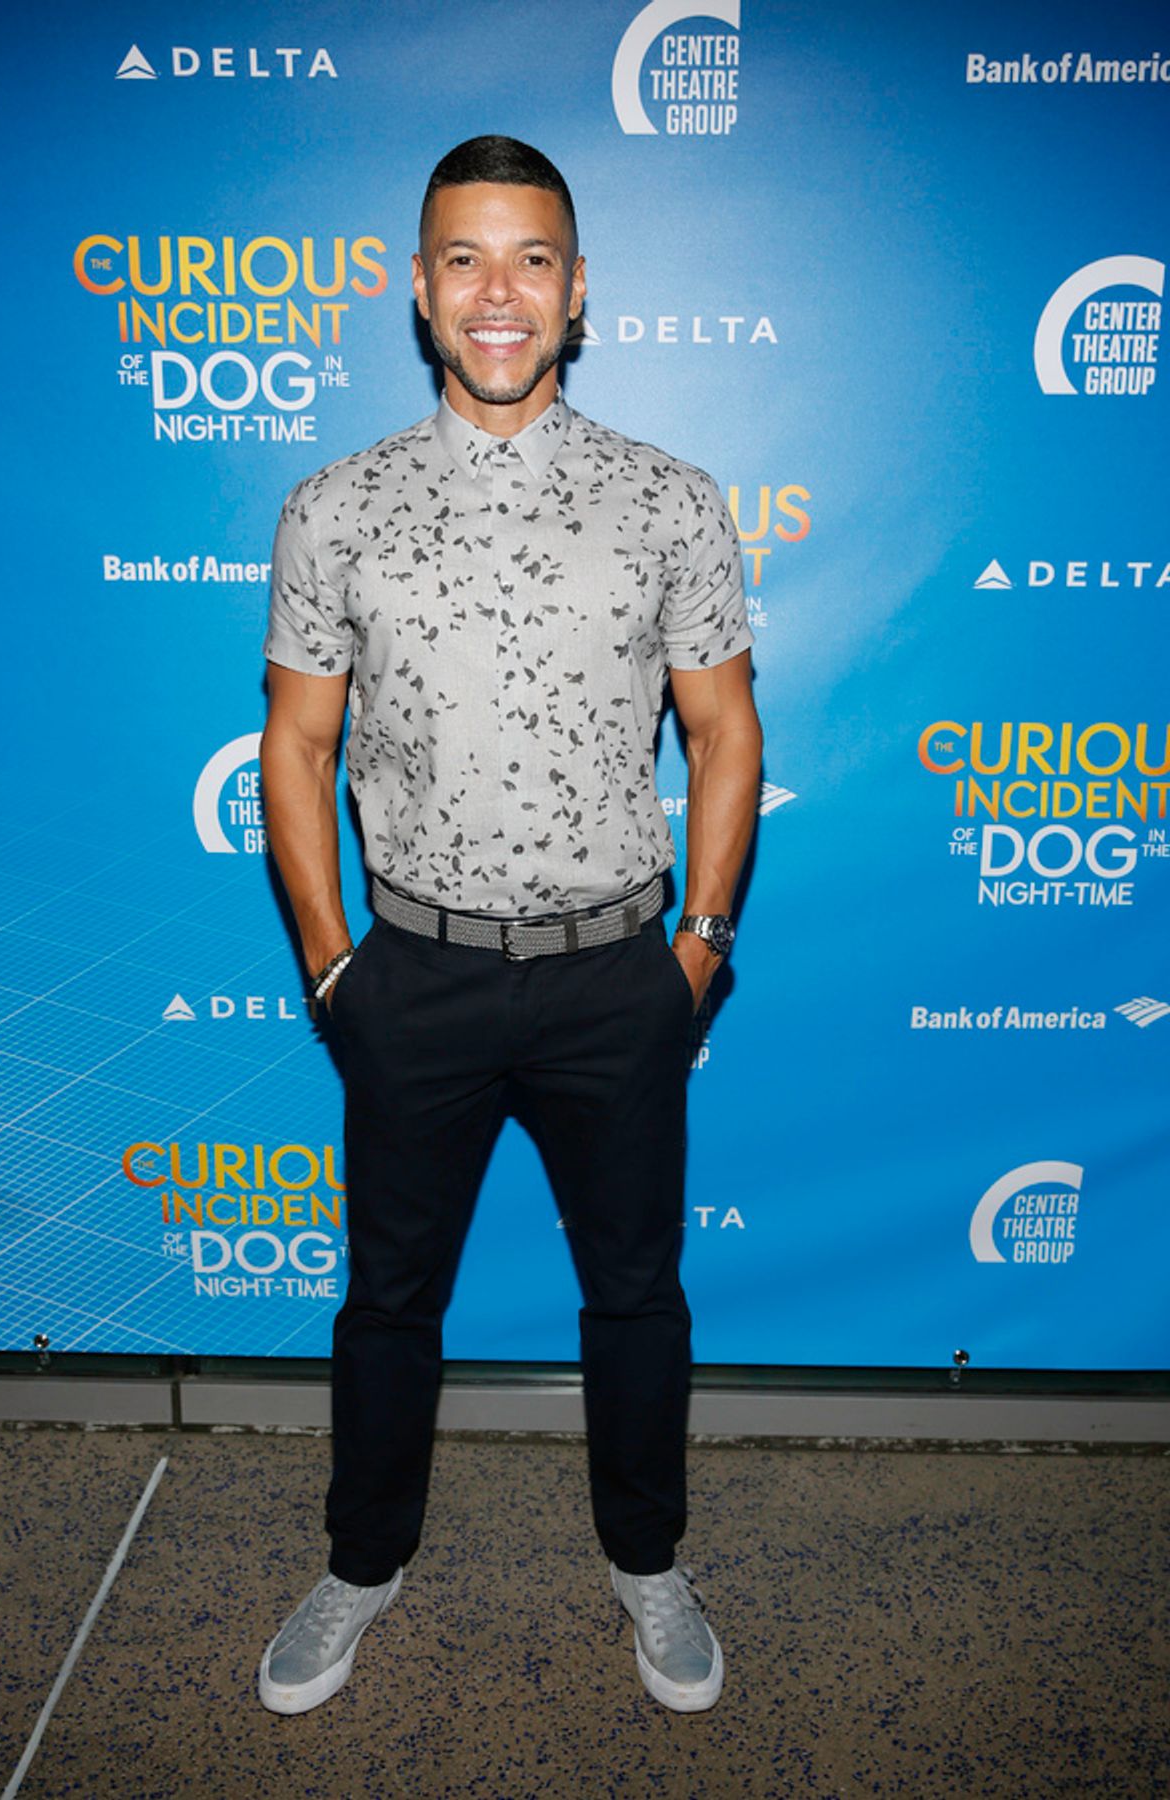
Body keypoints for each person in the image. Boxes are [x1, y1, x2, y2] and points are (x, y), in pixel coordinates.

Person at [257, 135, 761, 1717]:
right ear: (418, 290)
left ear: (578, 288)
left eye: (531, 258)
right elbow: (296, 745)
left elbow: (729, 733)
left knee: (638, 1296)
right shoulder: (336, 508)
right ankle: (360, 1565)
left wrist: (700, 947)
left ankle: (649, 1563)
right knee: (390, 1299)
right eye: (464, 260)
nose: (498, 293)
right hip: (411, 977)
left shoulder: (668, 500)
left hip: (621, 978)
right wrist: (337, 966)